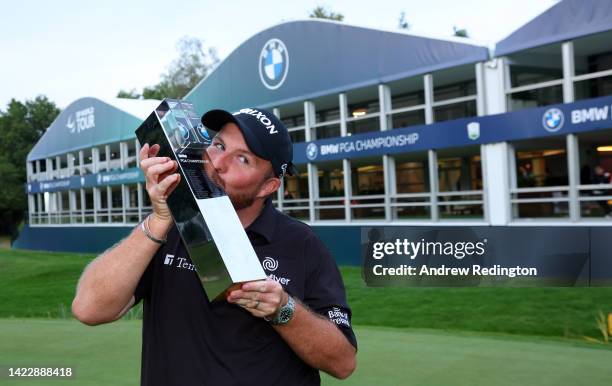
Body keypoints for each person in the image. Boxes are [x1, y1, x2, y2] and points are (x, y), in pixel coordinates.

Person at [71, 107, 357, 385]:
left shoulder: (303, 244)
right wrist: (159, 219)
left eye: (243, 159)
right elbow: (89, 309)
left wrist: (283, 309)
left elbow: (343, 363)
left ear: (268, 186)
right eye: (218, 145)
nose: (218, 163)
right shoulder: (168, 229)